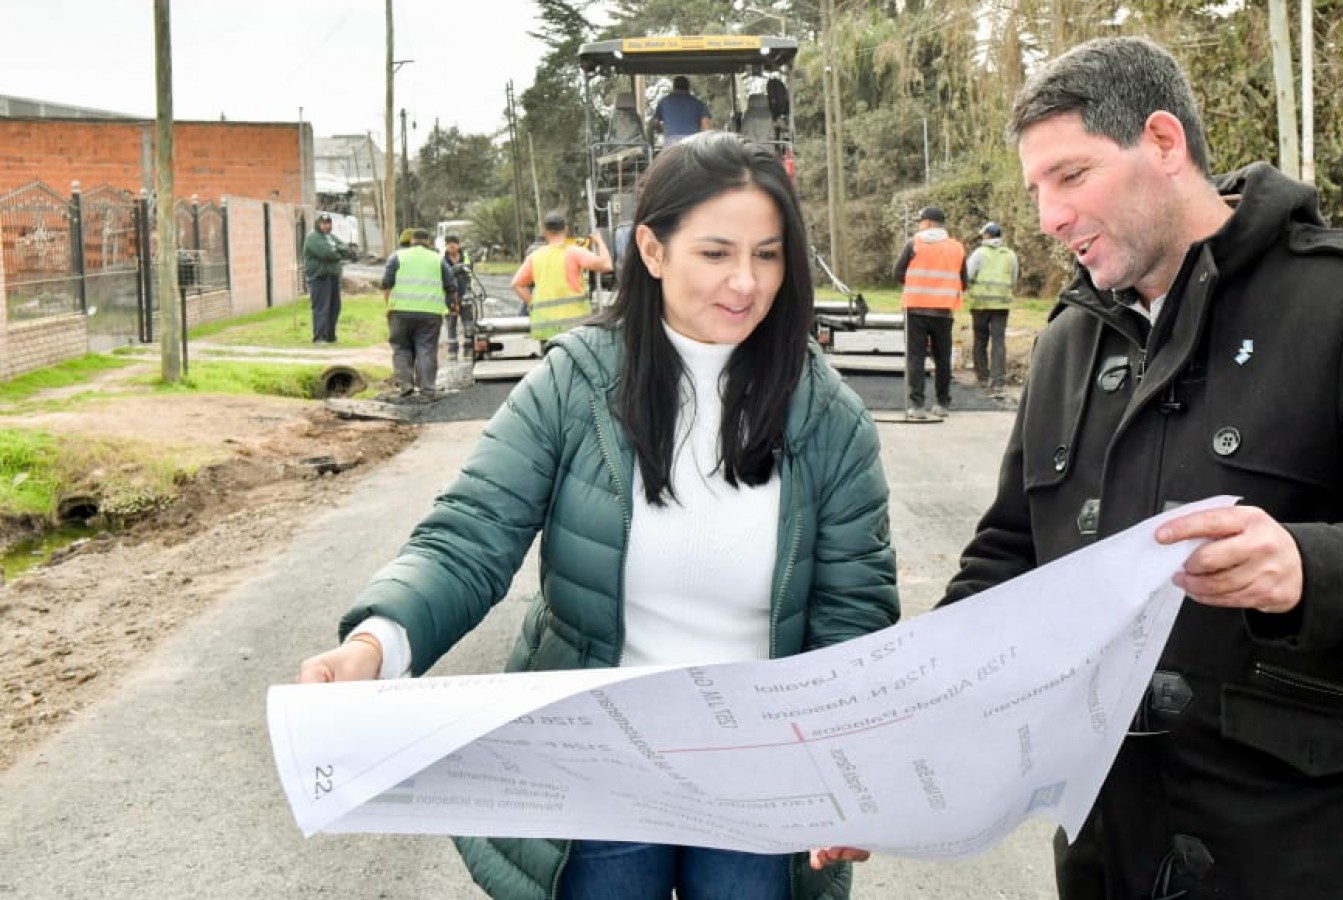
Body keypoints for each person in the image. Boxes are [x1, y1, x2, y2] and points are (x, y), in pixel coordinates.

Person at [938, 36, 1343, 900]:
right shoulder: (1069, 342)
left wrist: (1307, 567)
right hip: (1111, 854)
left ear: (1165, 144)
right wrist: (892, 732)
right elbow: (1009, 559)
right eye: (1037, 191)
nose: (1049, 217)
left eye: (1071, 176)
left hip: (1308, 854)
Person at [296, 132, 896, 900]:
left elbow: (855, 613)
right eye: (716, 253)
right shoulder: (573, 383)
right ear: (650, 248)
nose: (746, 283)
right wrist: (377, 644)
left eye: (770, 255)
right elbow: (469, 534)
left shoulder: (829, 418)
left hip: (761, 774)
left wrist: (849, 765)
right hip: (600, 763)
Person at [892, 205, 967, 420]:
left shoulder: (913, 244)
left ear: (927, 223)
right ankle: (943, 403)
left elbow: (897, 273)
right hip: (944, 311)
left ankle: (917, 406)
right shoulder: (956, 248)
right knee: (942, 358)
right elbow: (964, 281)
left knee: (915, 357)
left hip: (915, 309)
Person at [379, 226, 454, 401]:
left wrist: (389, 307)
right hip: (430, 313)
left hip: (400, 312)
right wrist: (451, 306)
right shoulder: (438, 259)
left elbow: (386, 284)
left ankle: (405, 385)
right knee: (426, 349)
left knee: (401, 348)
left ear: (411, 241)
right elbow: (450, 286)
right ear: (429, 242)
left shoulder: (397, 256)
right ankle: (427, 390)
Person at [510, 212, 614, 335]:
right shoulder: (574, 253)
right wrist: (599, 241)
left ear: (545, 232)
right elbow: (607, 265)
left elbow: (516, 284)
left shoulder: (534, 257)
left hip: (546, 328)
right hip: (573, 329)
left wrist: (534, 304)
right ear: (566, 229)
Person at [964, 221, 1019, 397]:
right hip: (1002, 305)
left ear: (987, 235)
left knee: (980, 340)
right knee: (998, 341)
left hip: (980, 304)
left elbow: (968, 275)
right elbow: (1014, 278)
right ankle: (998, 380)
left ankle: (982, 377)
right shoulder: (1010, 255)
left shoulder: (979, 253)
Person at [301, 212, 350, 343]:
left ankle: (330, 336)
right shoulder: (313, 237)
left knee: (335, 307)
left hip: (332, 276)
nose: (326, 226)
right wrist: (339, 254)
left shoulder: (330, 237)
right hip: (319, 277)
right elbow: (327, 254)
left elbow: (345, 248)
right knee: (321, 308)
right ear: (318, 224)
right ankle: (319, 337)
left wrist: (340, 250)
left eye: (328, 223)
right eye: (323, 223)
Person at [651, 75, 711, 148]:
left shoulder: (664, 102)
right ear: (688, 87)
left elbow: (655, 122)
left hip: (671, 143)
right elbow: (706, 125)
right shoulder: (698, 103)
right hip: (692, 142)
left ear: (674, 87)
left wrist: (661, 130)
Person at [441, 234, 473, 361]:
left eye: (454, 243)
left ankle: (468, 350)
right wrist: (454, 269)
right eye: (449, 244)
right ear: (446, 246)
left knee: (468, 325)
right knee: (451, 324)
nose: (451, 246)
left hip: (465, 294)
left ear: (458, 245)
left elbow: (470, 273)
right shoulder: (442, 260)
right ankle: (452, 351)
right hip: (449, 297)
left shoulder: (466, 258)